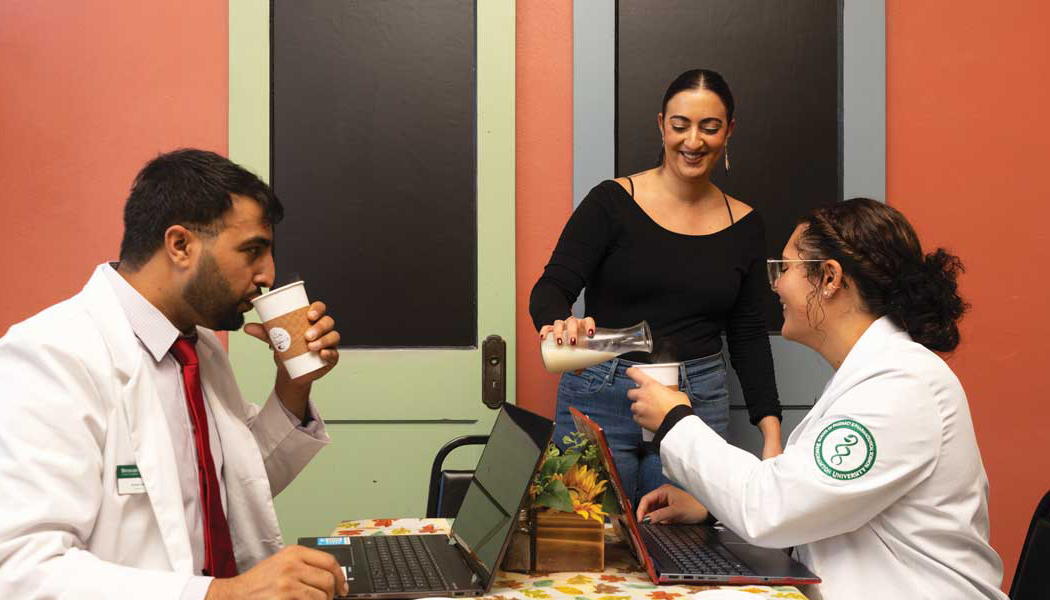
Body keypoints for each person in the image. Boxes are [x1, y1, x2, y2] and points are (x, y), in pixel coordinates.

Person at [0, 149, 350, 600]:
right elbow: (22, 569)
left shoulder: (197, 348)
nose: (268, 274)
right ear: (180, 245)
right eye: (253, 250)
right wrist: (223, 595)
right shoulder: (51, 356)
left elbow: (237, 486)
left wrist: (292, 384)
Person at [629, 198, 1007, 599]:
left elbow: (773, 507)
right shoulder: (870, 376)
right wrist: (709, 507)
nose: (774, 285)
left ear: (829, 278)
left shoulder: (903, 388)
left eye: (785, 268)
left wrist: (674, 420)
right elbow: (809, 501)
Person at [529, 69, 782, 505]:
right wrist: (559, 325)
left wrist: (772, 436)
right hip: (601, 390)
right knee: (583, 540)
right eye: (680, 125)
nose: (693, 141)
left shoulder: (745, 224)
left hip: (696, 401)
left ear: (729, 131)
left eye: (710, 127)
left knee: (685, 553)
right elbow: (551, 287)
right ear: (661, 124)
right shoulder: (611, 202)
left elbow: (747, 336)